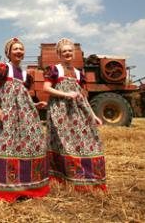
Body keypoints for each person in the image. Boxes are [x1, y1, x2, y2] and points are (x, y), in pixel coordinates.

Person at [0, 38, 49, 202]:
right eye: (15, 49)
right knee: (8, 145)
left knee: (32, 142)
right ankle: (7, 188)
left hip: (25, 115)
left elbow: (23, 97)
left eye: (21, 49)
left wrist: (35, 104)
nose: (19, 51)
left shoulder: (25, 74)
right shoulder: (2, 68)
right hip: (8, 114)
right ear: (8, 52)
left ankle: (28, 184)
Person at [43, 38, 106, 191]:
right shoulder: (54, 69)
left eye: (70, 51)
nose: (67, 53)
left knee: (87, 140)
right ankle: (62, 178)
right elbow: (46, 88)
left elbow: (83, 96)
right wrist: (65, 94)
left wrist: (93, 115)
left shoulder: (79, 74)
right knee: (63, 143)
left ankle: (87, 176)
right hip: (59, 111)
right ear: (59, 54)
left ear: (74, 53)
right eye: (64, 51)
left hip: (78, 112)